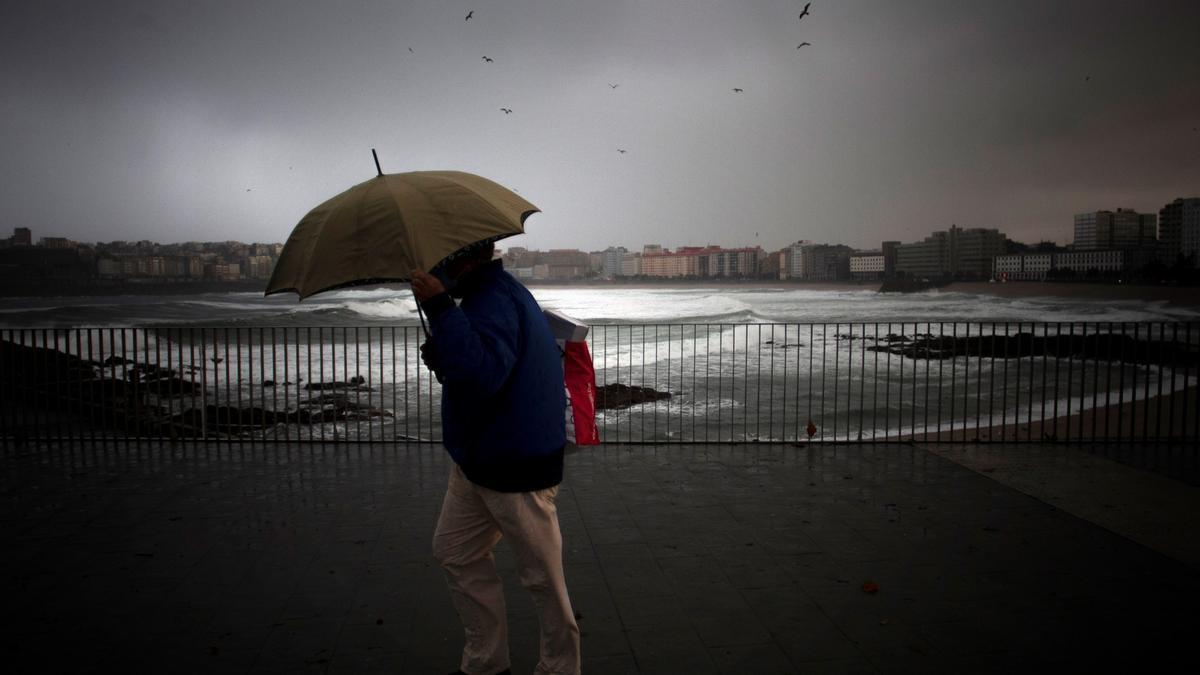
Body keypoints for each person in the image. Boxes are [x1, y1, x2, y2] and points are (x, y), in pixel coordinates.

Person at [410, 242, 581, 675]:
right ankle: (486, 663)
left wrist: (439, 306)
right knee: (455, 552)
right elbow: (480, 368)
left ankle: (561, 668)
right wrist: (444, 350)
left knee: (542, 579)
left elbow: (485, 375)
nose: (434, 268)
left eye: (440, 260)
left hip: (515, 464)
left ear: (461, 260)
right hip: (479, 459)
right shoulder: (489, 296)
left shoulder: (493, 300)